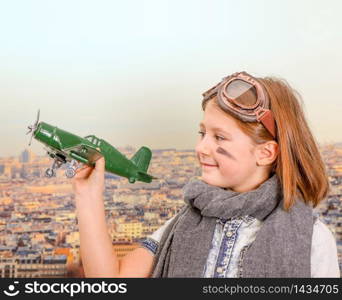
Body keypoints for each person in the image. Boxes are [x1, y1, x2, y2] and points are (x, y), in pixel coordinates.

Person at [72, 71, 340, 278]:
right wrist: (87, 196)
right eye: (202, 134)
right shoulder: (179, 225)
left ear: (266, 153)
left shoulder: (314, 240)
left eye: (219, 137)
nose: (201, 148)